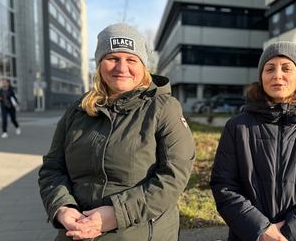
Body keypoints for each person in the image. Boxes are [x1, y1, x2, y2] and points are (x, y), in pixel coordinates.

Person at [38, 23, 195, 241]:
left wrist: (116, 214)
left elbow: (174, 176)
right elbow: (52, 168)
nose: (122, 68)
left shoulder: (164, 108)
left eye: (131, 59)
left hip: (140, 233)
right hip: (76, 233)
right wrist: (62, 207)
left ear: (143, 66)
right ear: (100, 64)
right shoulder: (78, 110)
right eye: (112, 58)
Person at [210, 41, 296, 241]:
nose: (277, 75)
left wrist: (289, 233)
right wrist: (262, 230)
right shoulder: (237, 128)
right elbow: (224, 185)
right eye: (269, 68)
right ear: (261, 76)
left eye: (286, 68)